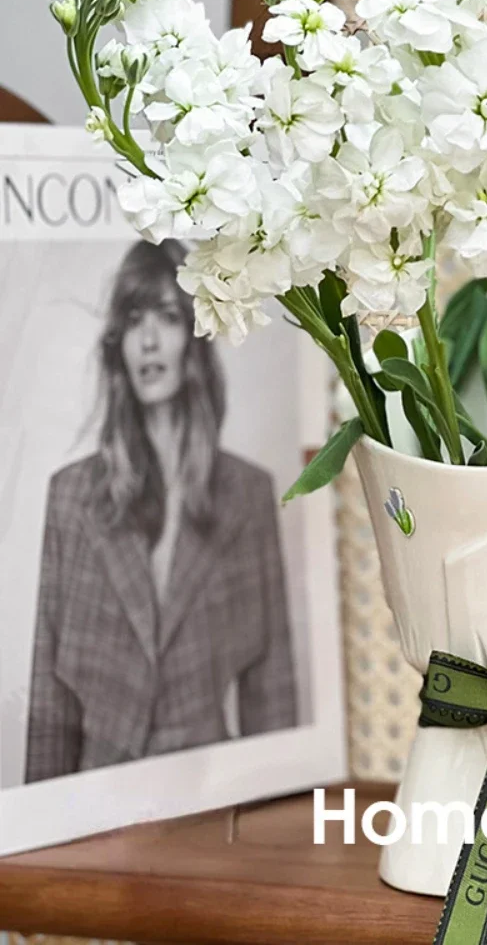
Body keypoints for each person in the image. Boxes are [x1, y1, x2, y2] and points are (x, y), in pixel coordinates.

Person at [24, 240, 297, 784]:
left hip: (211, 794)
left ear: (195, 335)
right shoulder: (71, 498)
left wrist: (278, 814)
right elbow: (50, 704)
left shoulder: (247, 495)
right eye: (133, 320)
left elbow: (271, 695)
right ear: (118, 343)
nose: (148, 340)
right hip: (95, 796)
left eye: (168, 317)